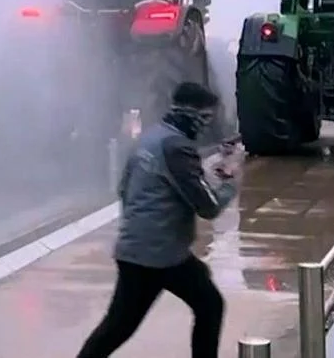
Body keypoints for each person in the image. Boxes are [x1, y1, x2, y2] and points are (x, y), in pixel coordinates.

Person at [77, 81, 236, 358]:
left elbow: (125, 189)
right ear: (192, 114)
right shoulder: (178, 148)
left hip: (142, 247)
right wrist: (229, 182)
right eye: (205, 118)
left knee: (122, 325)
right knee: (121, 326)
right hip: (157, 255)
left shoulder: (152, 138)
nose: (206, 126)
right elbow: (207, 207)